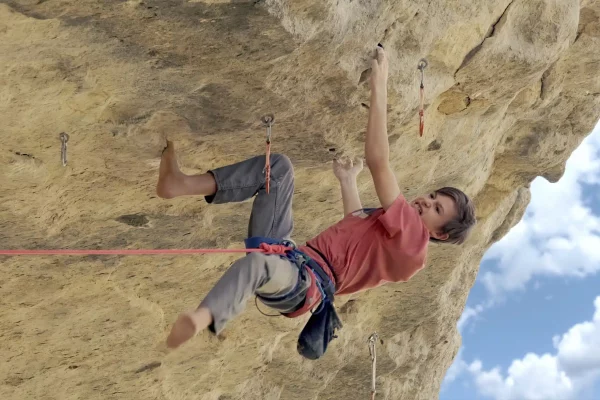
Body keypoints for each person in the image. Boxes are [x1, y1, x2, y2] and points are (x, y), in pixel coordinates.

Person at [159, 45, 476, 352]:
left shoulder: (414, 240)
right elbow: (354, 225)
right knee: (278, 168)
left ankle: (202, 319)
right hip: (290, 257)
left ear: (438, 233)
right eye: (433, 196)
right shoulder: (395, 233)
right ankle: (179, 184)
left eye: (437, 208)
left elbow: (379, 162)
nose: (426, 202)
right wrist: (348, 181)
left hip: (301, 283)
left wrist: (380, 86)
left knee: (257, 265)